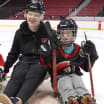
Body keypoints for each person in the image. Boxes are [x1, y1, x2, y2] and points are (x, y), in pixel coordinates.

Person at [40, 19, 98, 104]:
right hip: (60, 78)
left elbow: (86, 67)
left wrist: (92, 54)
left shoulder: (78, 49)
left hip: (74, 75)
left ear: (73, 34)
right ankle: (70, 99)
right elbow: (46, 65)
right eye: (62, 33)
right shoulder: (55, 50)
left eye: (68, 33)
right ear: (58, 34)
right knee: (65, 81)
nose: (65, 36)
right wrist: (45, 52)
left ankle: (85, 96)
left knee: (77, 79)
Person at [0, 2, 49, 104]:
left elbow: (54, 54)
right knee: (18, 75)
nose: (32, 17)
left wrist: (50, 70)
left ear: (41, 17)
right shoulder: (19, 33)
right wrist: (6, 69)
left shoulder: (48, 33)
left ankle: (19, 100)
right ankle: (6, 97)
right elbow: (14, 53)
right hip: (24, 60)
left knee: (32, 76)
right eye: (30, 14)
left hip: (40, 62)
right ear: (26, 14)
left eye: (36, 15)